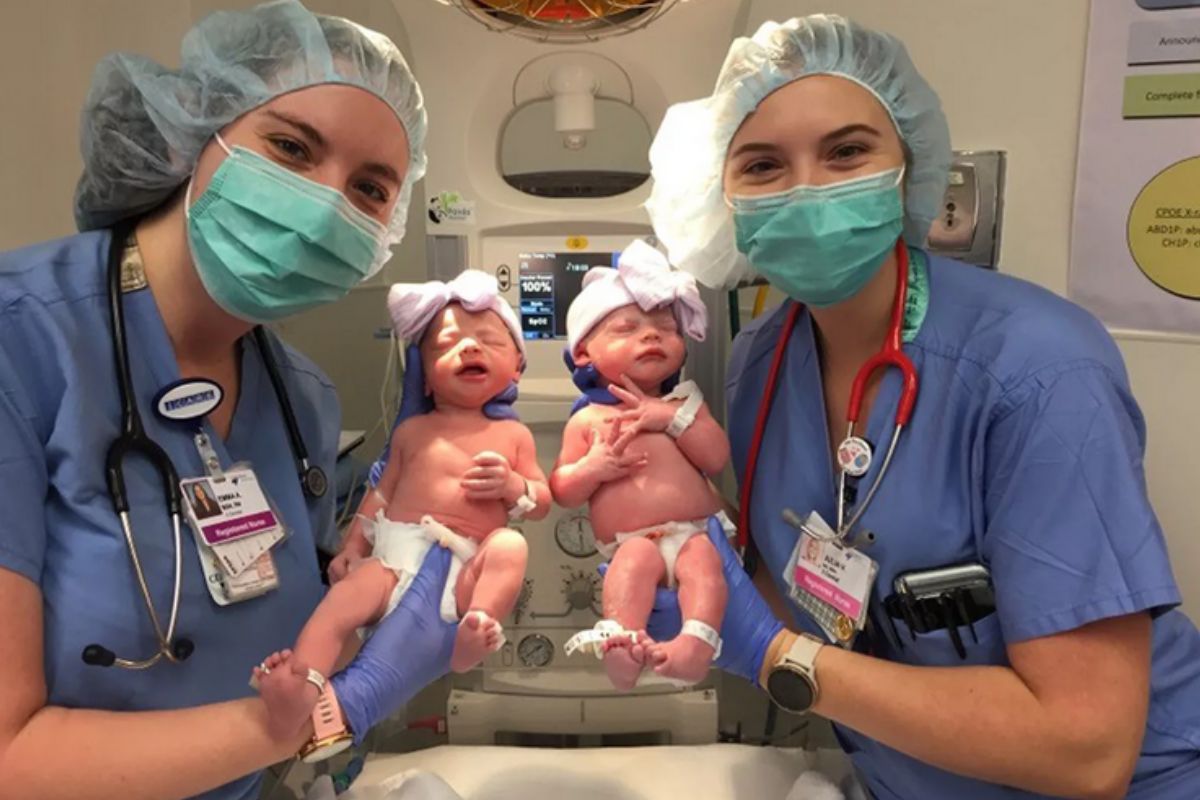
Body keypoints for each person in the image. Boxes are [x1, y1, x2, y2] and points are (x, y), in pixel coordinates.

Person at [643, 15, 1200, 800]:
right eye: (763, 165)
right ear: (720, 198)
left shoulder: (1038, 369)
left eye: (846, 152)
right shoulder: (761, 362)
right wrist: (694, 572)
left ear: (909, 165)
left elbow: (1088, 748)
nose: (808, 189)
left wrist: (774, 658)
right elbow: (803, 588)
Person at [0, 3, 461, 798]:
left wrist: (381, 614)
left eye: (371, 188)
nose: (326, 203)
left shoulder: (300, 400)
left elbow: (276, 631)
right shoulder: (23, 343)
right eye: (290, 147)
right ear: (194, 137)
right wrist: (300, 720)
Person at [255, 270, 551, 739]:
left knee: (511, 546)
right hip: (394, 558)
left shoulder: (513, 435)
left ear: (516, 367)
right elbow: (381, 495)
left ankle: (474, 629)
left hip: (466, 565)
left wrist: (514, 485)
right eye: (446, 345)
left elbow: (540, 502)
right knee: (339, 605)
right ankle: (301, 683)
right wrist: (352, 545)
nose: (469, 349)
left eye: (489, 342)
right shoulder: (412, 433)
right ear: (426, 380)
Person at [551, 240, 729, 690]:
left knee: (704, 565)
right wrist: (594, 466)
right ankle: (623, 645)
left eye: (665, 328)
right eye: (626, 328)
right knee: (632, 565)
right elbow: (564, 490)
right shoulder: (589, 420)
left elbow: (716, 456)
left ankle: (696, 644)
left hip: (694, 533)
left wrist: (669, 418)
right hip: (631, 541)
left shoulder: (684, 402)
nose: (650, 336)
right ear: (585, 353)